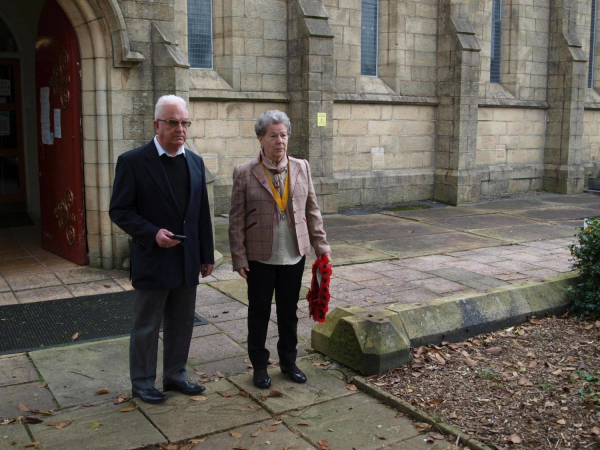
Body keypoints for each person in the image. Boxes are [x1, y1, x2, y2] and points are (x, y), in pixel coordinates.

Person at [109, 95, 214, 404]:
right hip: (153, 258)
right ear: (156, 124)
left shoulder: (195, 161)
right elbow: (120, 211)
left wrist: (207, 255)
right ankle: (142, 382)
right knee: (147, 324)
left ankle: (175, 374)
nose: (180, 128)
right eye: (172, 122)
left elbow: (201, 213)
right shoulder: (133, 161)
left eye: (184, 122)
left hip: (187, 259)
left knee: (181, 321)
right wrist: (153, 234)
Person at [229, 110, 331, 389]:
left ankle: (288, 361)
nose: (280, 141)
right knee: (259, 312)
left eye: (283, 135)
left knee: (289, 311)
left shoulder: (302, 167)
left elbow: (313, 211)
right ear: (261, 138)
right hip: (260, 257)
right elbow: (236, 220)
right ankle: (260, 366)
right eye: (273, 135)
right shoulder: (244, 172)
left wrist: (321, 247)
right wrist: (238, 257)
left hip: (294, 253)